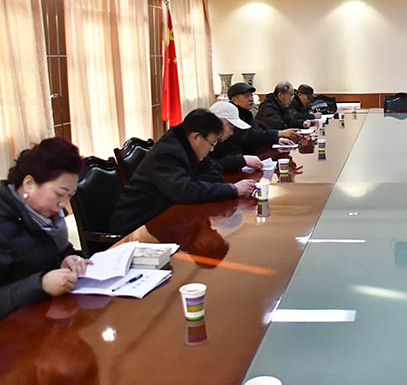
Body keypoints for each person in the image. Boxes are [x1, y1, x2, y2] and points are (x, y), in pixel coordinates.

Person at [110, 109, 257, 235]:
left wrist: (204, 186)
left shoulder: (188, 144)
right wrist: (233, 189)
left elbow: (214, 172)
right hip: (136, 229)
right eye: (211, 143)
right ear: (196, 137)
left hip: (167, 219)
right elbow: (185, 192)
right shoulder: (167, 153)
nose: (212, 149)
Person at [0, 138, 90, 319]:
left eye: (70, 196)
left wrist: (69, 258)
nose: (63, 204)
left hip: (47, 314)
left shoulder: (46, 216)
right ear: (29, 184)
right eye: (59, 194)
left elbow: (58, 250)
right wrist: (41, 284)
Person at [209, 101, 292, 174]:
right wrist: (241, 160)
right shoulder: (204, 142)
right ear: (218, 122)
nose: (232, 133)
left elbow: (234, 151)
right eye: (231, 127)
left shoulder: (222, 141)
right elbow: (210, 167)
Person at [227, 82, 299, 153]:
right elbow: (248, 135)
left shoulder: (246, 112)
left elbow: (258, 132)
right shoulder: (231, 115)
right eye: (246, 96)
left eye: (251, 95)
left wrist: (277, 140)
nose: (251, 99)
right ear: (234, 100)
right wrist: (278, 134)